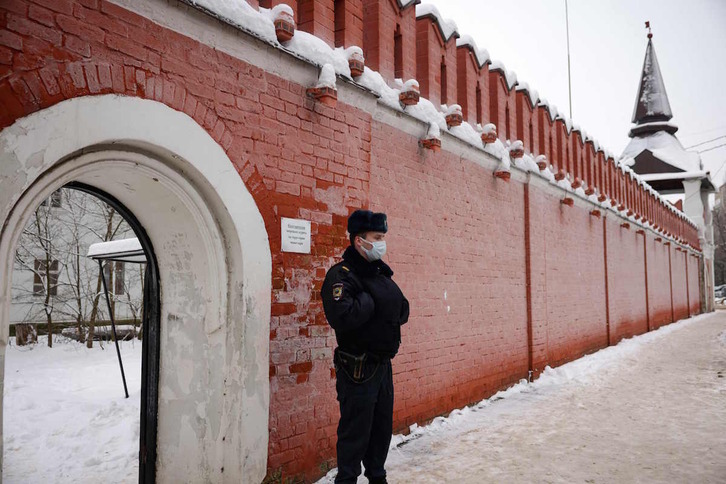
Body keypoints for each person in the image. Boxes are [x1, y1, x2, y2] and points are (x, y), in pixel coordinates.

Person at [321, 209, 410, 484]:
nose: (382, 242)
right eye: (377, 237)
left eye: (383, 236)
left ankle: (377, 477)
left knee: (381, 431)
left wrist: (377, 300)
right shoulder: (342, 275)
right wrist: (374, 301)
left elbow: (402, 310)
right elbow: (343, 315)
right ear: (359, 240)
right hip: (357, 368)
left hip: (383, 367)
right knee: (355, 434)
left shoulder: (379, 274)